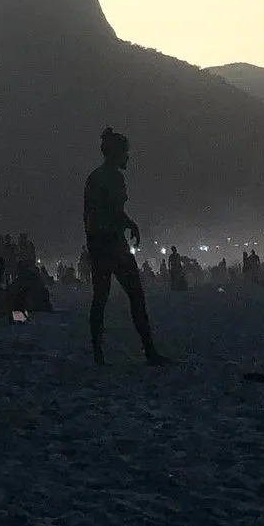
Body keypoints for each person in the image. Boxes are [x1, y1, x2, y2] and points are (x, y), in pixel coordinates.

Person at [82, 127, 166, 365]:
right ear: (117, 153)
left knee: (100, 298)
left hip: (98, 242)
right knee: (135, 295)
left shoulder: (93, 177)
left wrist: (92, 242)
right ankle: (149, 351)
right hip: (112, 242)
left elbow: (89, 213)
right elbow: (113, 211)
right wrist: (130, 225)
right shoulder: (114, 178)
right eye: (126, 153)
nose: (128, 157)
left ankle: (98, 354)